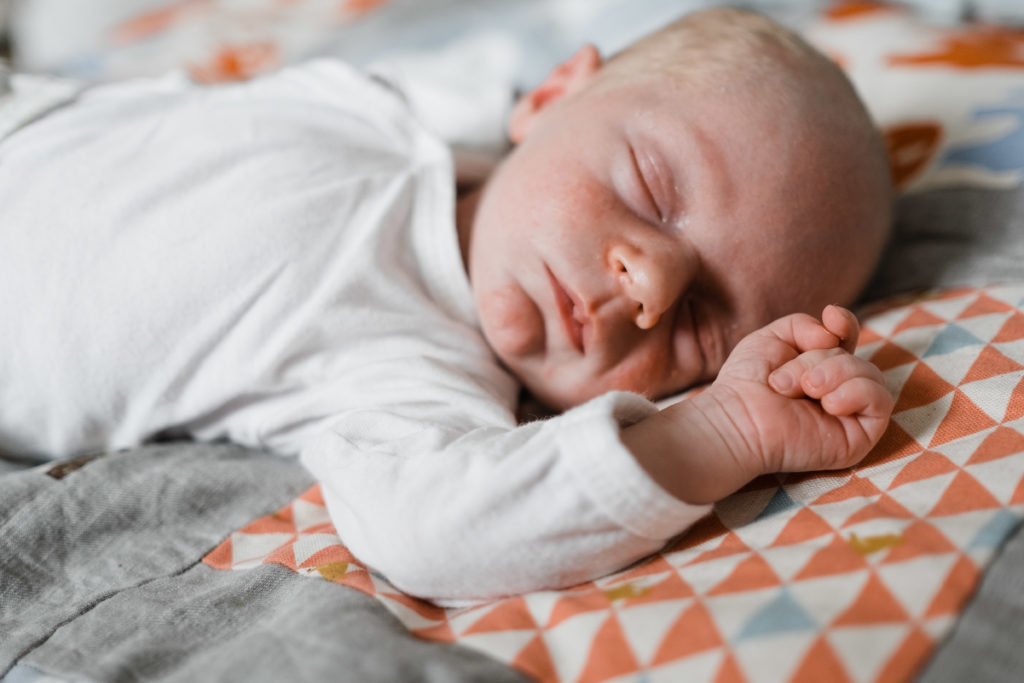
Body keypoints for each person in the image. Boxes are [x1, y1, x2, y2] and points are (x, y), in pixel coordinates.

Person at [0, 8, 893, 602]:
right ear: (548, 97)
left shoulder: (411, 373)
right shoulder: (391, 113)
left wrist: (719, 436)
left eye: (701, 321)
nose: (649, 287)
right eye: (650, 187)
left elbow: (437, 528)